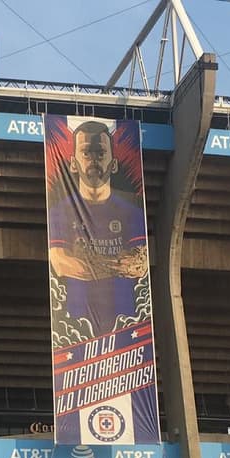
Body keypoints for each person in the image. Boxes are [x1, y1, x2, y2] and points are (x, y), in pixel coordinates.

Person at [47, 119, 149, 338]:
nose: (93, 159)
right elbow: (60, 262)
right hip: (77, 326)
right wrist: (116, 264)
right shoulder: (59, 210)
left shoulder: (132, 212)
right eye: (86, 153)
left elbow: (140, 264)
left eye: (100, 153)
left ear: (113, 164)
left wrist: (89, 260)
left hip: (126, 324)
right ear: (73, 163)